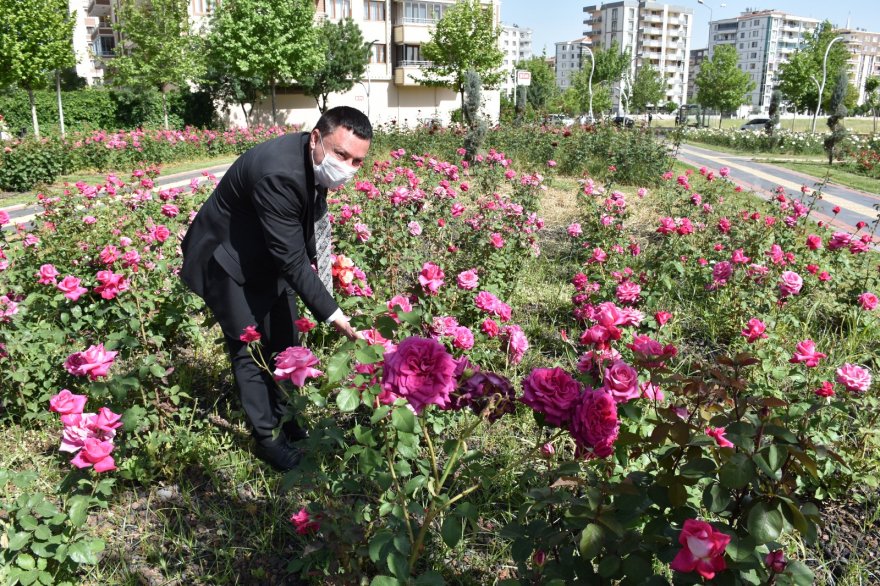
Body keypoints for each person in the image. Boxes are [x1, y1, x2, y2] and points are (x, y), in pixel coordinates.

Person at [180, 106, 371, 471]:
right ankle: (268, 439)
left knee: (285, 343)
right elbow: (293, 259)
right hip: (227, 260)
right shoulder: (279, 173)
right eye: (342, 154)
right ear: (316, 138)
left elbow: (301, 227)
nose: (347, 167)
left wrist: (327, 275)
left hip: (268, 254)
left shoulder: (312, 159)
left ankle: (288, 420)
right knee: (249, 350)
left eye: (357, 161)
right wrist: (336, 316)